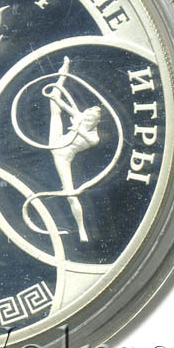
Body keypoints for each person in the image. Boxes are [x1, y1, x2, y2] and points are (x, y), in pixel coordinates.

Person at [45, 57, 101, 242]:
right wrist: (60, 81)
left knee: (70, 194)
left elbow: (86, 136)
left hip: (62, 157)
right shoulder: (80, 118)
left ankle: (81, 229)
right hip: (56, 141)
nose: (86, 120)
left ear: (96, 123)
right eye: (86, 117)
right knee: (54, 104)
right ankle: (63, 72)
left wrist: (78, 125)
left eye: (90, 120)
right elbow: (59, 101)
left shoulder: (94, 137)